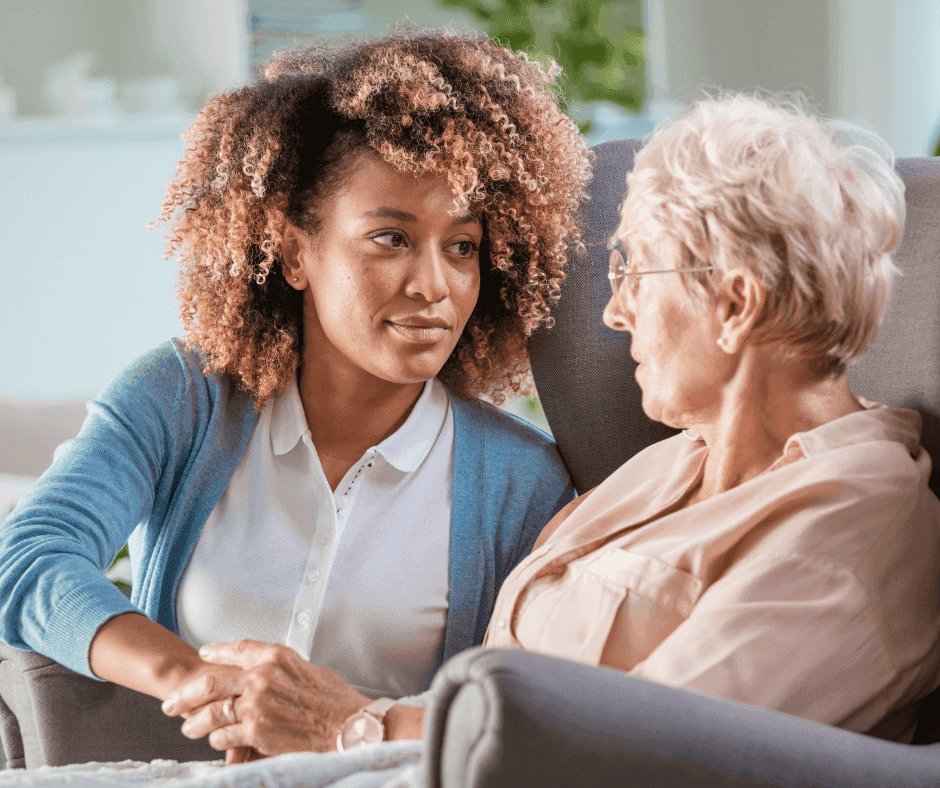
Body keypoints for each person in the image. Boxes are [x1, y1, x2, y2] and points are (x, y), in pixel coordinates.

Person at [163, 93, 940, 763]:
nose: (614, 311)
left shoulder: (854, 528)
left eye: (635, 271)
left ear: (733, 305)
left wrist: (351, 728)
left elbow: (649, 755)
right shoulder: (669, 466)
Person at [0, 28, 592, 744]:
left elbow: (523, 723)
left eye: (462, 247)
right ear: (294, 252)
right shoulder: (184, 399)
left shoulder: (522, 483)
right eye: (391, 238)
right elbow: (31, 557)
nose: (434, 285)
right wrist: (192, 681)